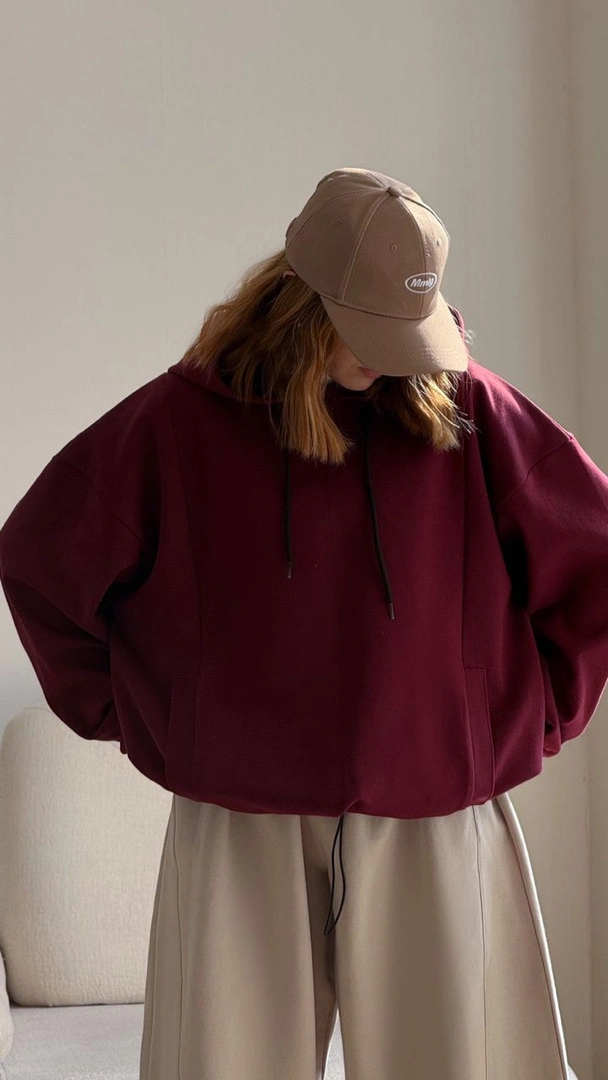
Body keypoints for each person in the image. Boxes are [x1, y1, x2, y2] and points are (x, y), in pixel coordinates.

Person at [0, 166, 601, 1080]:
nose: (391, 359)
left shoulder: (468, 410)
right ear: (301, 300)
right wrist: (141, 712)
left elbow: (594, 556)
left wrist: (525, 715)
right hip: (240, 818)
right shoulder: (181, 421)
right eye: (369, 331)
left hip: (432, 807)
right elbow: (42, 558)